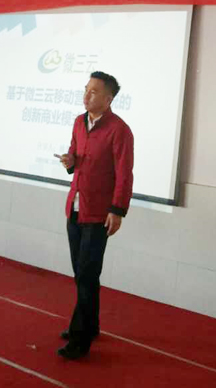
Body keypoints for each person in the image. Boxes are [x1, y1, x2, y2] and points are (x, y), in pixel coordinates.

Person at [56, 71, 134, 360]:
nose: (86, 95)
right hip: (75, 207)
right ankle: (91, 325)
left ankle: (80, 340)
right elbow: (74, 155)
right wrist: (69, 161)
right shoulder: (79, 122)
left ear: (108, 98)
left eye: (94, 91)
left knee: (87, 274)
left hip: (99, 214)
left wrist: (117, 210)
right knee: (82, 274)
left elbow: (124, 174)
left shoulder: (119, 130)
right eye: (86, 89)